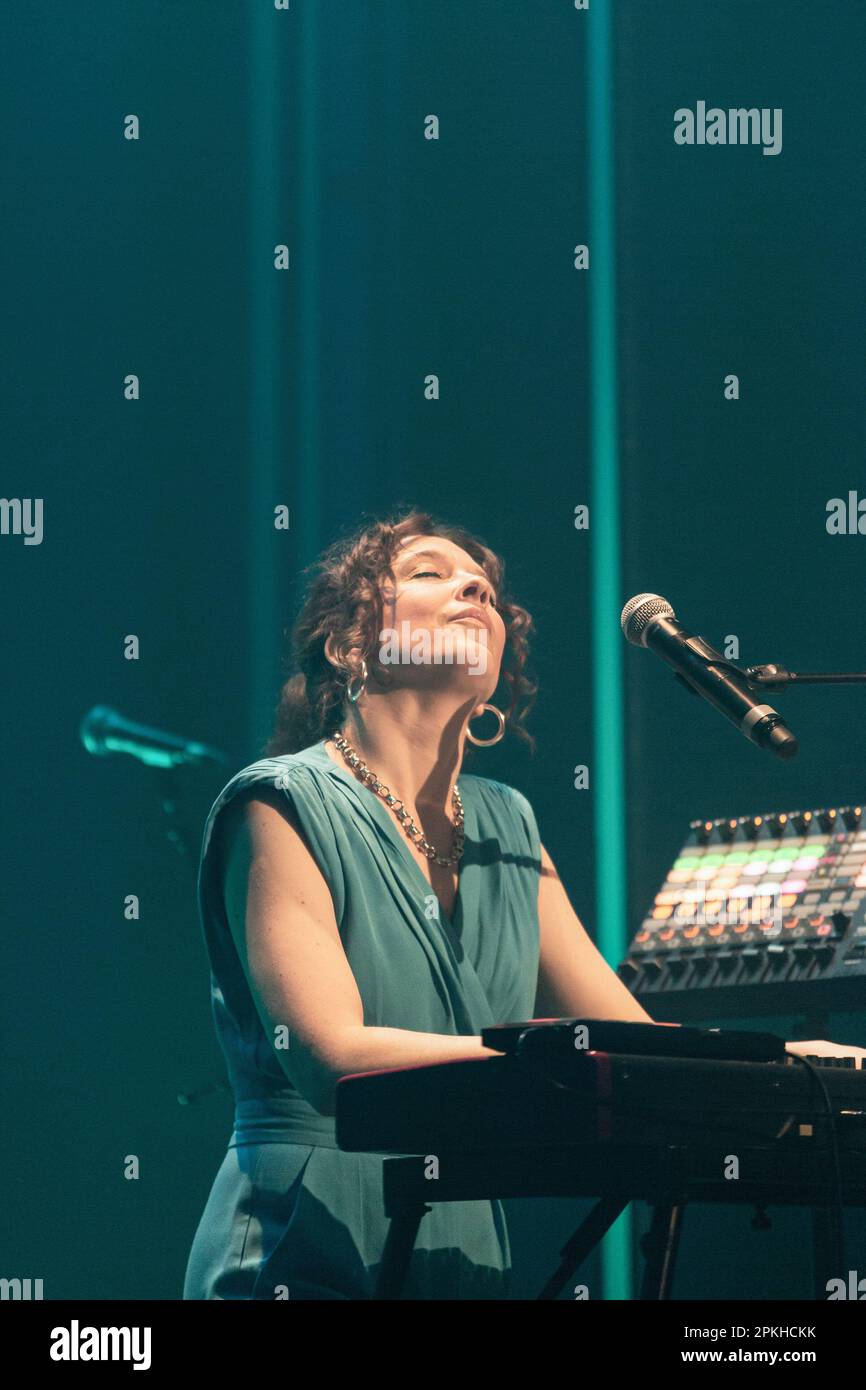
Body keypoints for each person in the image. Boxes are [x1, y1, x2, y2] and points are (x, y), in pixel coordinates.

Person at [183, 506, 864, 1300]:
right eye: (429, 573)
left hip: (462, 1230)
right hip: (304, 1226)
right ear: (348, 647)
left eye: (485, 585)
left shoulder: (510, 824)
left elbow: (636, 1052)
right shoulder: (280, 805)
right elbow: (333, 1060)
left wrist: (789, 1065)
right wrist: (553, 1054)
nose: (475, 583)